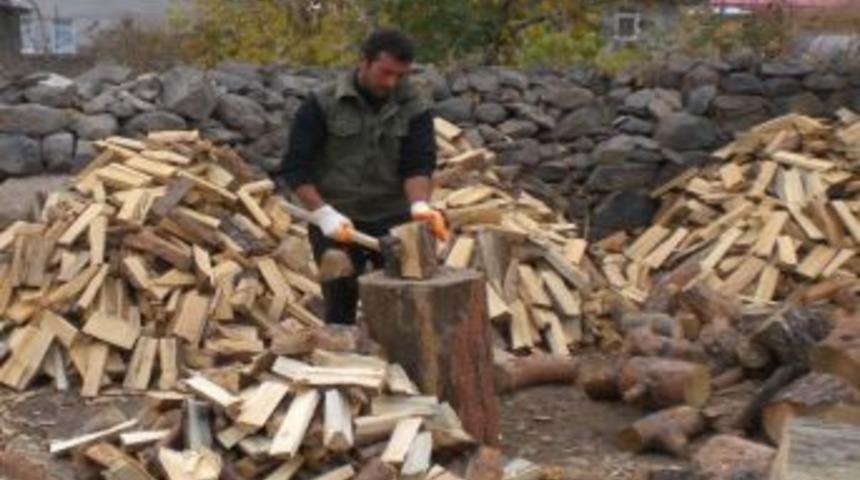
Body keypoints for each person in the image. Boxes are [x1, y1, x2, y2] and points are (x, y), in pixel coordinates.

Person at [282, 28, 448, 325]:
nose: (392, 82)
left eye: (400, 75)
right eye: (385, 73)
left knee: (405, 308)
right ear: (364, 61)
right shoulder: (322, 103)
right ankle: (343, 363)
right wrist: (323, 214)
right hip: (337, 218)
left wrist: (419, 206)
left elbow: (418, 164)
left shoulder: (414, 105)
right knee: (340, 306)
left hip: (393, 219)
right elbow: (295, 167)